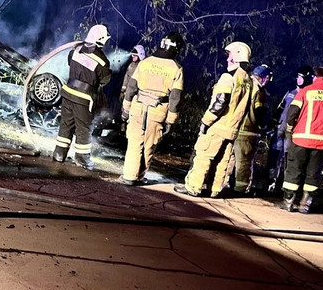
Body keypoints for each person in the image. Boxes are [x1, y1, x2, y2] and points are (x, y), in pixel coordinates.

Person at [174, 41, 253, 197]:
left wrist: (206, 121)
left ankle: (193, 187)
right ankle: (214, 190)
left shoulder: (228, 77)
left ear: (237, 56)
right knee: (222, 161)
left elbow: (220, 102)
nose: (227, 59)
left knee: (203, 156)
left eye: (229, 55)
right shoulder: (247, 81)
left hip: (218, 126)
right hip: (232, 130)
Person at [119, 32, 184, 185]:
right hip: (157, 111)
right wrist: (171, 120)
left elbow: (131, 88)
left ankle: (129, 176)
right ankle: (140, 176)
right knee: (149, 144)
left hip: (137, 107)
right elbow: (175, 98)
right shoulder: (176, 68)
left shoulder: (145, 62)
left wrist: (125, 109)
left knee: (134, 142)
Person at [52, 24, 112, 170]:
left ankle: (59, 154)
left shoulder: (76, 50)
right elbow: (105, 80)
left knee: (66, 124)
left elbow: (69, 63)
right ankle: (82, 158)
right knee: (84, 127)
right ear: (101, 39)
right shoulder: (102, 60)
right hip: (84, 97)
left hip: (68, 93)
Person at [279, 66, 323, 213]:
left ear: (315, 77)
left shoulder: (306, 91)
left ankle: (288, 203)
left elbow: (292, 111)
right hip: (321, 141)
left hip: (300, 139)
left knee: (294, 170)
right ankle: (305, 205)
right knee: (313, 173)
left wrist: (289, 128)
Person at [266, 65, 315, 191]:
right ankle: (270, 182)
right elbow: (280, 108)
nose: (298, 79)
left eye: (301, 77)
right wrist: (272, 123)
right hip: (280, 130)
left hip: (292, 132)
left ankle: (286, 187)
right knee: (274, 155)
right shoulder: (290, 93)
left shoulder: (307, 95)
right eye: (298, 76)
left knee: (289, 159)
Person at [227, 64, 273, 195]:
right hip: (248, 132)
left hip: (234, 128)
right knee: (244, 163)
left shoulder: (244, 83)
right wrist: (263, 127)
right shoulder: (259, 91)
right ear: (264, 78)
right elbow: (260, 111)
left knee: (230, 158)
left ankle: (223, 184)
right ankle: (241, 189)